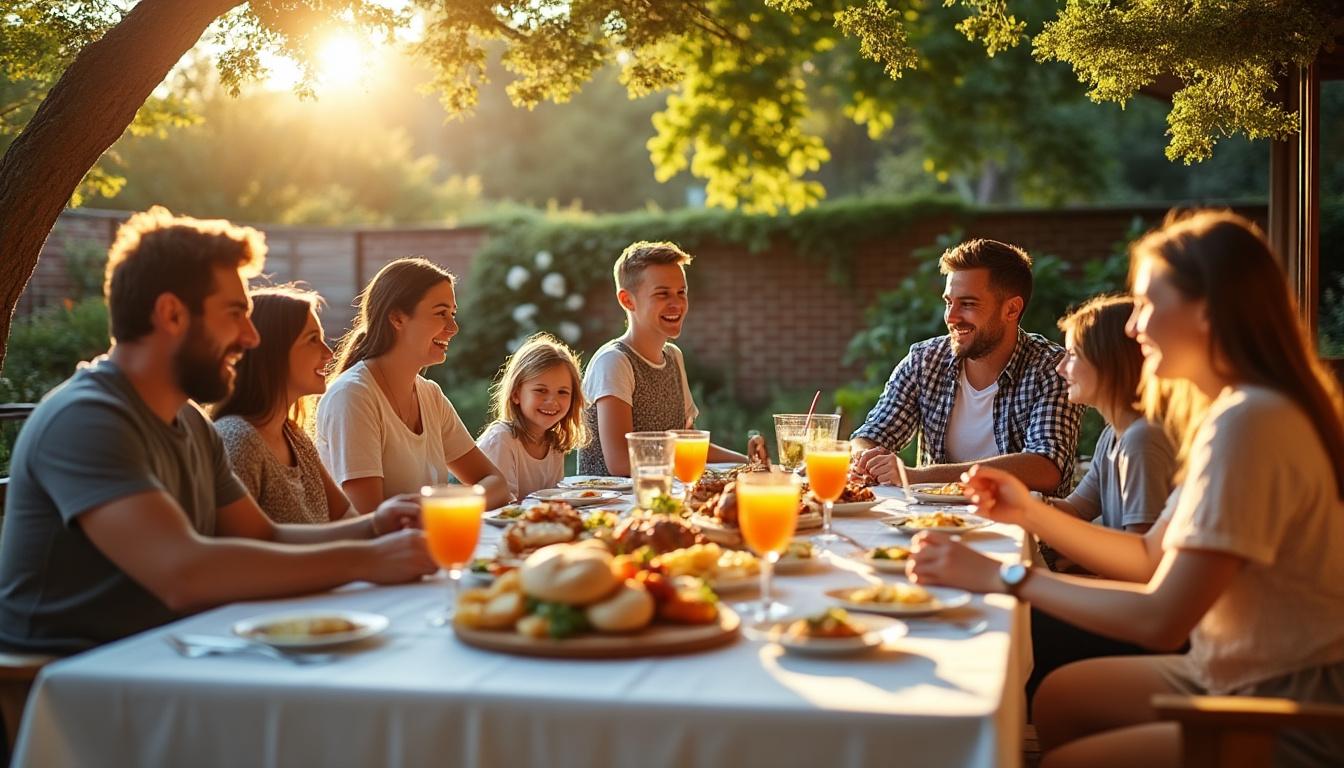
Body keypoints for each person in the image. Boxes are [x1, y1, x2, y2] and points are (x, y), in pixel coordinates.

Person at [909, 211, 1344, 767]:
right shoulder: (1228, 415)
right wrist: (1029, 512)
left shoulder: (1252, 423)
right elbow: (1146, 557)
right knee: (1062, 697)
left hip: (1280, 706)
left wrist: (1003, 576)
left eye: (1145, 304)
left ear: (1206, 311)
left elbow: (1163, 618)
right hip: (1223, 667)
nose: (1134, 329)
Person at [0, 207, 437, 654]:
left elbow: (262, 537)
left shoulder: (188, 420)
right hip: (78, 679)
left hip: (174, 653)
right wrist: (367, 560)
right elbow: (185, 574)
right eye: (234, 313)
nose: (250, 337)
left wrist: (372, 528)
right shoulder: (86, 420)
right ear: (171, 314)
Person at [1027, 294, 1179, 707]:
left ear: (1109, 363)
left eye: (1072, 355)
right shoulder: (1115, 434)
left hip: (1147, 628)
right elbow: (1074, 510)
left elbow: (1141, 571)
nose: (1060, 367)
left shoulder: (1143, 441)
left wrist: (1065, 568)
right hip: (1126, 603)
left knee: (1018, 625)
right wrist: (1004, 501)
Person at [851, 239, 1084, 496]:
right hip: (935, 523)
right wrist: (865, 460)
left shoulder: (1052, 368)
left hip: (1019, 529)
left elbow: (1046, 468)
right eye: (949, 302)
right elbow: (870, 436)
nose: (951, 317)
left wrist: (918, 476)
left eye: (968, 304)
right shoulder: (924, 361)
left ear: (1011, 309)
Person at [316, 257, 510, 512]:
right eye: (441, 313)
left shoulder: (430, 395)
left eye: (452, 314)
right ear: (397, 317)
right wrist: (445, 508)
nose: (453, 327)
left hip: (425, 544)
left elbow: (496, 483)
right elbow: (369, 518)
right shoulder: (352, 396)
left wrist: (446, 508)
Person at [213, 286, 404, 525]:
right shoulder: (238, 440)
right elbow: (245, 554)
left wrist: (394, 517)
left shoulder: (294, 437)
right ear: (274, 352)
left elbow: (349, 521)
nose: (328, 353)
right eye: (313, 340)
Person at [577, 241, 753, 476]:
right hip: (611, 507)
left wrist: (751, 463)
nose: (676, 303)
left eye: (681, 292)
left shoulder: (673, 356)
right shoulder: (614, 362)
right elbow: (620, 463)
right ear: (627, 300)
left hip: (661, 499)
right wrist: (688, 466)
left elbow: (688, 444)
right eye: (662, 294)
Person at [477, 332, 588, 499]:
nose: (552, 401)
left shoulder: (554, 443)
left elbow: (552, 500)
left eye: (562, 392)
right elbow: (503, 506)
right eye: (541, 390)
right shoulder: (501, 440)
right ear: (516, 394)